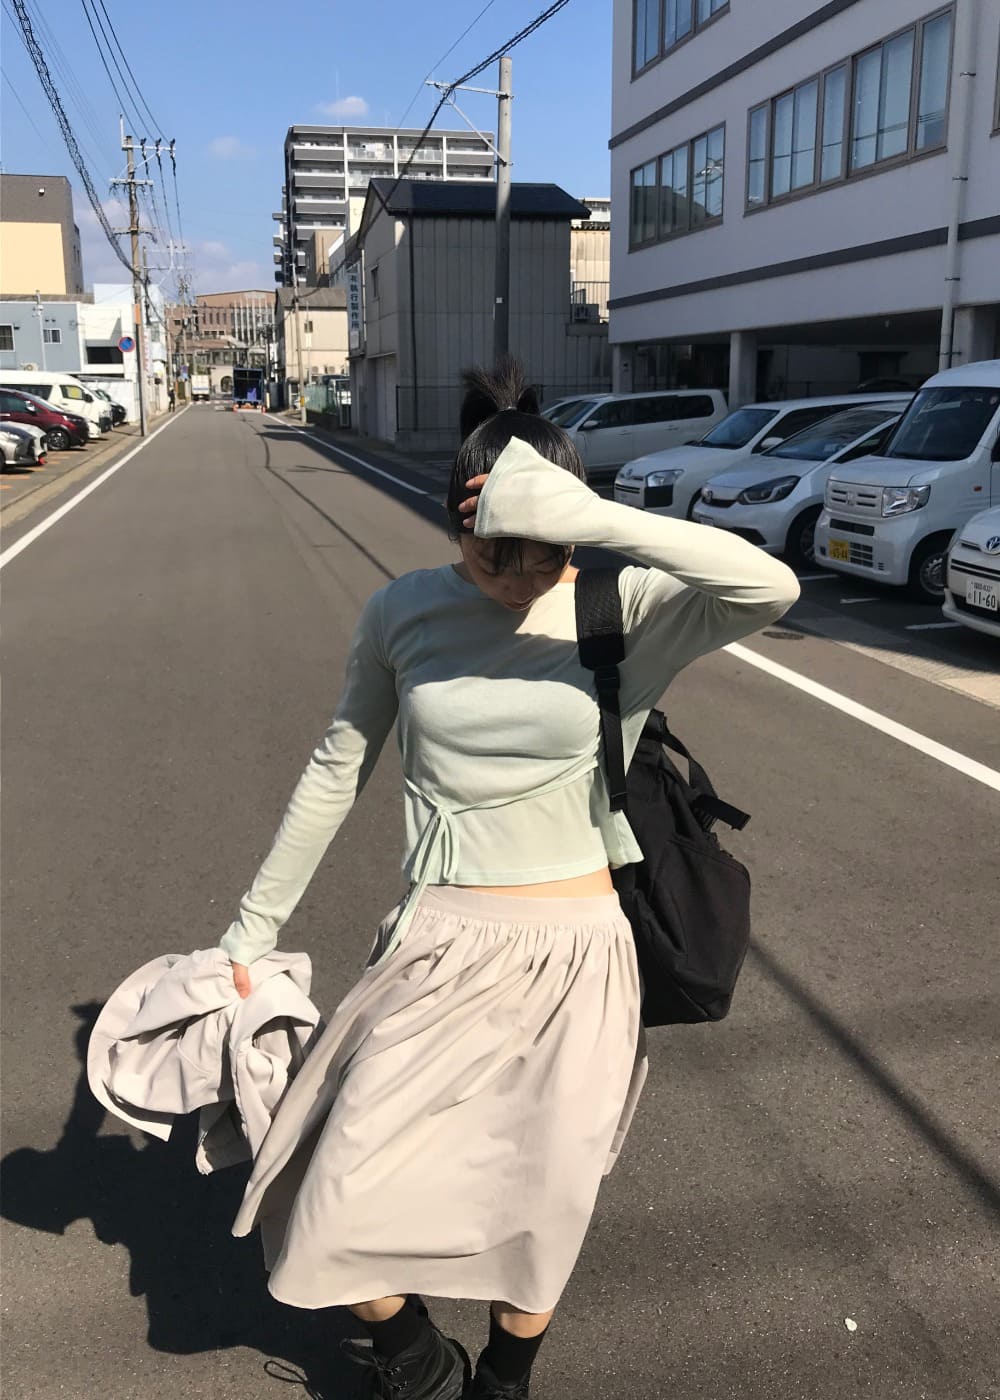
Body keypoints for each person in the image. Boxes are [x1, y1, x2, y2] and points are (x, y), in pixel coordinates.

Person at [218, 359, 800, 1399]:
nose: (522, 575)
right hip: (437, 942)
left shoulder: (624, 608)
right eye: (496, 552)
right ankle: (414, 1355)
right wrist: (250, 930)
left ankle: (503, 1380)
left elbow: (771, 587)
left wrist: (595, 520)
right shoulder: (403, 612)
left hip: (578, 951)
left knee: (538, 1199)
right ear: (459, 524)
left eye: (547, 551)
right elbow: (336, 769)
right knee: (334, 1176)